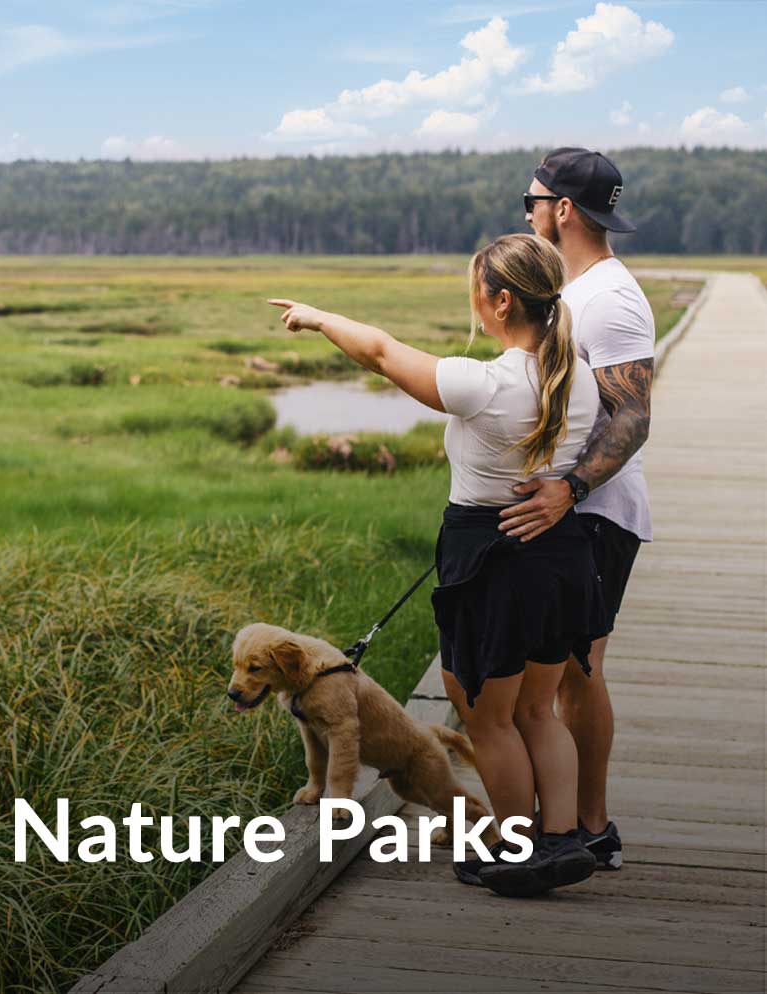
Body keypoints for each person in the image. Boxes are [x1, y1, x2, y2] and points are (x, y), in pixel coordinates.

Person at [268, 233, 608, 897]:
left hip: (491, 555)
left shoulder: (485, 383)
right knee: (540, 710)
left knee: (489, 717)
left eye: (478, 293)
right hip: (560, 552)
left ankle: (515, 849)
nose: (476, 305)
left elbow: (381, 352)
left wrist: (318, 317)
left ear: (502, 300)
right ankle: (562, 838)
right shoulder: (580, 379)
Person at [500, 149, 655, 871]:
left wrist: (571, 489)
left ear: (562, 209)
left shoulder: (611, 298)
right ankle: (566, 818)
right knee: (561, 670)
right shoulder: (572, 288)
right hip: (567, 509)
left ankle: (589, 825)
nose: (525, 212)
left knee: (577, 671)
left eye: (531, 199)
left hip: (594, 512)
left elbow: (630, 418)